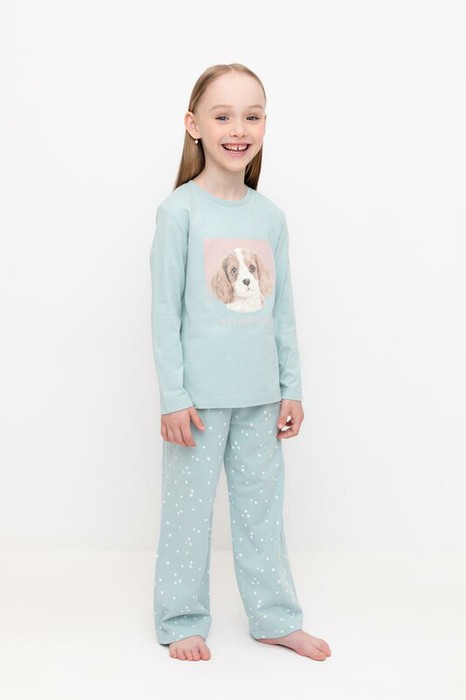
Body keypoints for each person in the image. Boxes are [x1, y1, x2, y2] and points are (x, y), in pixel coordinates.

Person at [149, 62, 332, 663]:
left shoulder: (269, 217)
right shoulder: (179, 212)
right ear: (193, 125)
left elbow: (283, 312)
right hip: (198, 405)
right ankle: (181, 619)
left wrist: (291, 387)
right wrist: (173, 397)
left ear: (264, 125)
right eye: (223, 116)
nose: (238, 129)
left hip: (260, 399)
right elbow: (164, 314)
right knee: (188, 518)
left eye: (251, 116)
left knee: (262, 515)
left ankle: (275, 618)